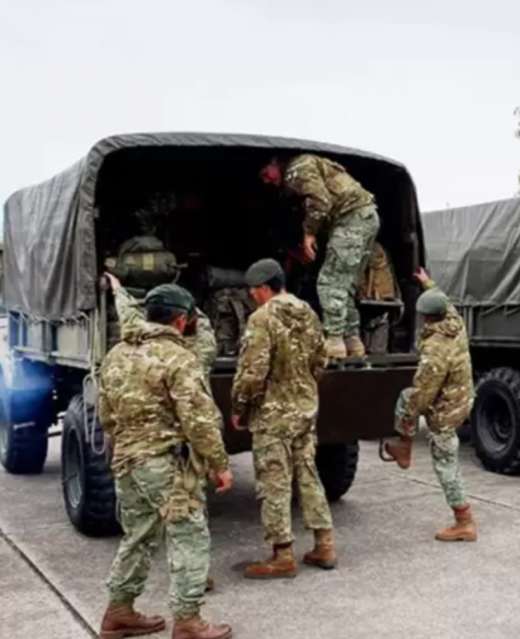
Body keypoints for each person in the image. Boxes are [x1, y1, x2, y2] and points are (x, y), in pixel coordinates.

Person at [97, 284, 233, 639]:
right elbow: (199, 420)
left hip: (127, 460)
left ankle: (119, 611)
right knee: (189, 533)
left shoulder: (117, 354)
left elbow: (106, 415)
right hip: (164, 462)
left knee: (138, 535)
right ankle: (188, 621)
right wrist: (219, 463)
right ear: (182, 319)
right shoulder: (179, 357)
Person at [231, 259, 336, 578]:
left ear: (264, 288)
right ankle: (324, 544)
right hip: (305, 409)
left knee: (274, 481)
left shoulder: (262, 319)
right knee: (308, 474)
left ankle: (282, 555)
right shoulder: (308, 312)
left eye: (253, 292)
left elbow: (253, 371)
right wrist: (302, 387)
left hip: (272, 415)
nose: (252, 297)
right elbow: (321, 359)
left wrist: (239, 406)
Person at [381, 283, 477, 541]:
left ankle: (464, 521)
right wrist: (427, 283)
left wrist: (408, 418)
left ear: (424, 317)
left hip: (446, 410)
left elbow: (423, 394)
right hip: (462, 399)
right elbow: (445, 300)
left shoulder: (436, 347)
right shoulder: (455, 323)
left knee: (446, 463)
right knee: (407, 399)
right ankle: (405, 445)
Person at [260, 154, 379, 360]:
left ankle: (333, 341)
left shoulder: (297, 168)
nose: (266, 180)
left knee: (329, 283)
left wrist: (309, 233)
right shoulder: (306, 168)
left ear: (274, 163)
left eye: (265, 173)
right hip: (365, 217)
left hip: (351, 218)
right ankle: (352, 341)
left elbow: (320, 200)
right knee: (346, 284)